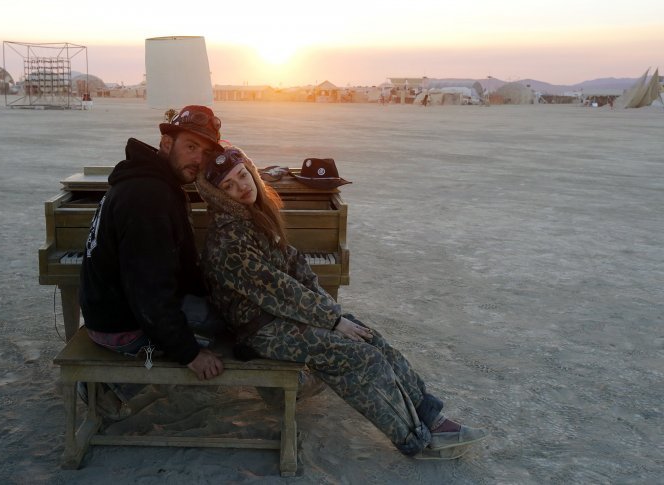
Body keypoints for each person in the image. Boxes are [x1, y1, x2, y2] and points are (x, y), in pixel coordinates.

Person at [196, 146, 488, 460]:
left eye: (242, 175)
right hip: (260, 331)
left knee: (368, 336)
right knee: (360, 357)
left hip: (280, 317)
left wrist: (332, 313)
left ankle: (429, 414)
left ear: (251, 171)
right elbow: (281, 291)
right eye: (228, 185)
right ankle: (417, 441)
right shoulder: (229, 238)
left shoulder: (255, 218)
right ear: (219, 194)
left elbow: (296, 268)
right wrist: (333, 321)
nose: (241, 187)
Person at [78, 105, 227, 417]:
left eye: (206, 153)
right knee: (233, 320)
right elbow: (150, 291)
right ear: (166, 144)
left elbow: (165, 272)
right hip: (122, 325)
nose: (199, 160)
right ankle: (112, 385)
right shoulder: (149, 196)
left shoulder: (147, 182)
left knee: (221, 307)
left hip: (110, 311)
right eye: (191, 147)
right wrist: (190, 354)